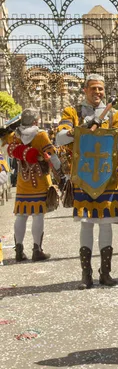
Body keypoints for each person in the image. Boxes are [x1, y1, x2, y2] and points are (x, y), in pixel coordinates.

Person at [56, 73, 118, 289]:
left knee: (106, 225)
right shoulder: (73, 112)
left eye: (101, 89)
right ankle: (85, 275)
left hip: (109, 177)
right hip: (84, 176)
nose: (98, 92)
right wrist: (85, 127)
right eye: (93, 88)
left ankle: (105, 273)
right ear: (85, 90)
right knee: (86, 224)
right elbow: (59, 137)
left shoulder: (115, 115)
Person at [1, 108, 64, 262]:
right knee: (38, 215)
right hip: (40, 180)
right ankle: (37, 249)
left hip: (23, 181)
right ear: (36, 121)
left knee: (21, 215)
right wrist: (61, 173)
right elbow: (53, 156)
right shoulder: (41, 135)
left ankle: (19, 250)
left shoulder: (15, 135)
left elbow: (4, 141)